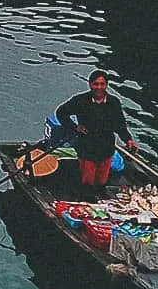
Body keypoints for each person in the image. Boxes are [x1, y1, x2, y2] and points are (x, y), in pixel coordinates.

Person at [55, 70, 138, 200]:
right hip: (87, 147)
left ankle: (100, 199)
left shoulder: (114, 102)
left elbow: (120, 124)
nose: (99, 87)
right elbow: (61, 112)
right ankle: (84, 200)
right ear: (90, 85)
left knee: (101, 182)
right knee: (87, 181)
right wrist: (75, 127)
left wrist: (128, 140)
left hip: (106, 148)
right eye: (96, 84)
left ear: (106, 85)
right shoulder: (80, 100)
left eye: (102, 84)